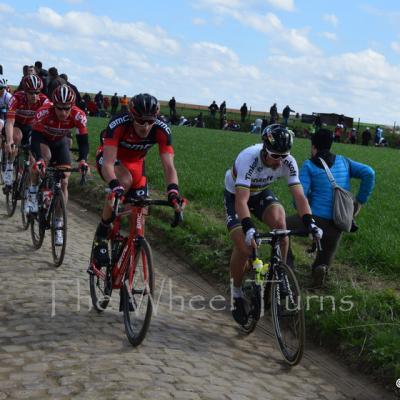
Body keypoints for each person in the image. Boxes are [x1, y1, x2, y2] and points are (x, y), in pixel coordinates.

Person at [224, 124, 323, 325]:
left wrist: (310, 223)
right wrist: (249, 227)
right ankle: (236, 293)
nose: (279, 162)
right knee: (244, 246)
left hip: (260, 193)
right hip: (236, 196)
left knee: (281, 226)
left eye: (283, 156)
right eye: (275, 156)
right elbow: (241, 201)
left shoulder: (288, 161)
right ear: (264, 149)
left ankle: (279, 276)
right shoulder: (248, 159)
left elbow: (300, 196)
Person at [91, 93, 184, 268]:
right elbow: (108, 164)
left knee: (140, 212)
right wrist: (114, 186)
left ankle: (129, 266)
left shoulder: (162, 129)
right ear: (132, 116)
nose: (146, 126)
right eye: (141, 121)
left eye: (150, 121)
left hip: (136, 165)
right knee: (124, 181)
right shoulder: (118, 124)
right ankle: (101, 236)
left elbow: (169, 167)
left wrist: (173, 192)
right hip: (111, 159)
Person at [286, 129, 375, 287]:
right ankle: (320, 269)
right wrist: (359, 201)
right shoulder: (344, 161)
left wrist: (302, 212)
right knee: (326, 252)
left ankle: (288, 262)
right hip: (338, 221)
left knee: (281, 227)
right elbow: (369, 173)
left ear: (313, 146)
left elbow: (299, 196)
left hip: (314, 218)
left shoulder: (309, 165)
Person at [28, 85, 89, 241]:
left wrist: (83, 160)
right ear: (54, 105)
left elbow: (83, 142)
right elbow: (34, 139)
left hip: (59, 142)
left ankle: (58, 222)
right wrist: (39, 159)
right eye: (60, 108)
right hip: (42, 139)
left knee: (64, 180)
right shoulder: (44, 112)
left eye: (67, 108)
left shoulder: (78, 115)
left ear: (72, 106)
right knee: (43, 159)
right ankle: (33, 192)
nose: (63, 112)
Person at [4, 75, 50, 187]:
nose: (34, 95)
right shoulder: (16, 98)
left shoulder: (44, 101)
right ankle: (9, 167)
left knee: (35, 156)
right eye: (31, 93)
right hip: (16, 124)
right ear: (25, 91)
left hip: (31, 127)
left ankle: (28, 187)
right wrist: (10, 141)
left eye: (37, 92)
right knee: (16, 137)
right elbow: (10, 121)